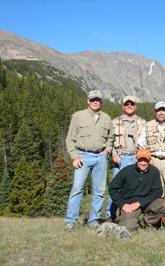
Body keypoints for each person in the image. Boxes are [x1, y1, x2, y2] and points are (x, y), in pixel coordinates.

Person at [65, 90, 113, 230]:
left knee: (99, 191)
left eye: (97, 99)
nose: (95, 102)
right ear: (88, 101)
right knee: (77, 189)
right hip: (82, 156)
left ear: (101, 102)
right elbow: (70, 139)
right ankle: (70, 221)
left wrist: (107, 150)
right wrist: (75, 157)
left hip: (101, 157)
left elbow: (111, 137)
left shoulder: (106, 118)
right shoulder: (78, 116)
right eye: (92, 99)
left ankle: (93, 220)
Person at [105, 95, 146, 220]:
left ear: (135, 106)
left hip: (136, 159)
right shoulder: (115, 122)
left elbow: (146, 142)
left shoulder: (142, 122)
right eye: (127, 104)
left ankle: (132, 216)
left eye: (132, 104)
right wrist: (114, 154)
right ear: (123, 106)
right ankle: (110, 215)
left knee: (136, 188)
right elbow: (109, 141)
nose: (129, 106)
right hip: (121, 158)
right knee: (116, 188)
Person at [108, 149, 165, 230]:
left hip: (147, 203)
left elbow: (157, 191)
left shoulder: (154, 171)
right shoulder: (127, 170)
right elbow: (112, 188)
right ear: (136, 160)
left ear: (149, 161)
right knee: (128, 226)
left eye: (146, 160)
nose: (143, 163)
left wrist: (139, 203)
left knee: (163, 204)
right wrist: (122, 204)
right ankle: (129, 221)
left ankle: (146, 223)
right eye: (141, 160)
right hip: (130, 205)